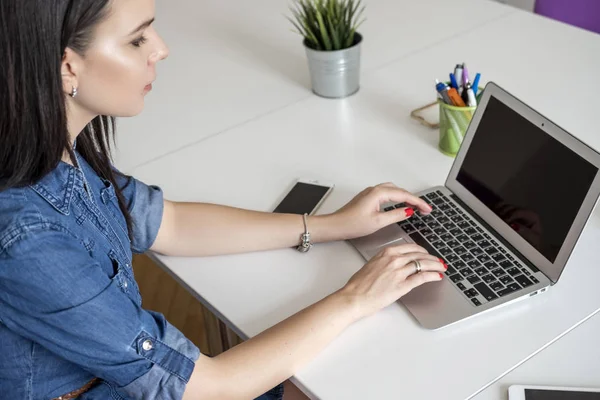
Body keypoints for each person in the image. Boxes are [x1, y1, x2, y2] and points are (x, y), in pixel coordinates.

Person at [0, 0, 446, 399]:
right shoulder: (26, 237)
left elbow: (168, 223)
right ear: (67, 67)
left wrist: (331, 225)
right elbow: (211, 389)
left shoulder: (52, 151)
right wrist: (356, 296)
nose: (161, 49)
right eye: (137, 40)